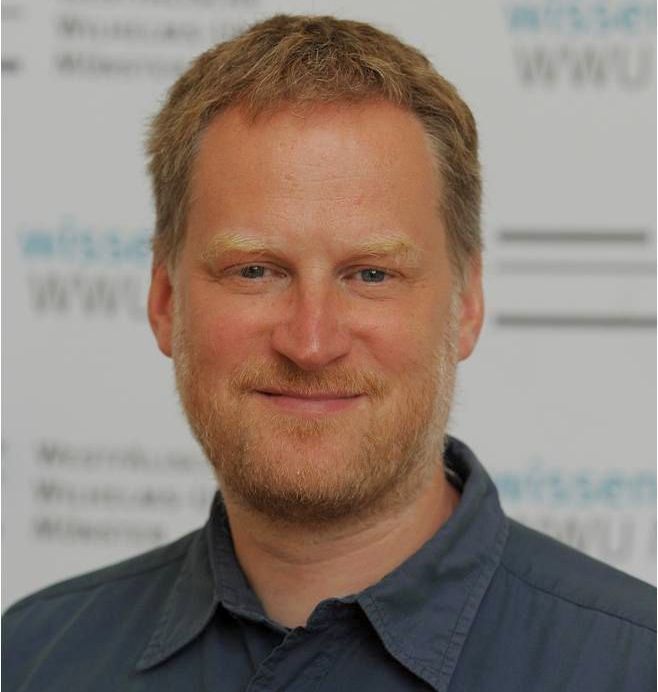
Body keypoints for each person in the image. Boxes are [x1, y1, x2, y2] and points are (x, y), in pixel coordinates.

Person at [3, 14, 655, 692]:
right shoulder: (31, 662)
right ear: (165, 301)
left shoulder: (635, 667)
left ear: (466, 305)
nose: (311, 343)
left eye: (371, 274)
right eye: (255, 270)